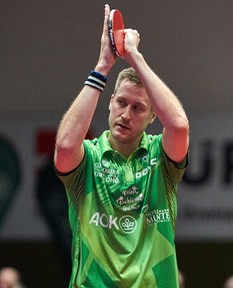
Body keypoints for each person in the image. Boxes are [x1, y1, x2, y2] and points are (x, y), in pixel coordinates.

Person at [54, 4, 190, 288]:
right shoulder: (89, 158)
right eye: (121, 103)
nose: (126, 114)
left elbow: (178, 126)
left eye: (139, 108)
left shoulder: (161, 160)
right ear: (110, 100)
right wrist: (103, 65)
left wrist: (134, 56)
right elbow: (65, 148)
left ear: (153, 116)